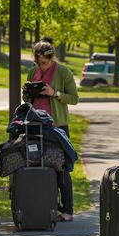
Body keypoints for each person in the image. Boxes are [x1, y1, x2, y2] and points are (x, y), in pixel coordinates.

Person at [24, 39, 79, 222]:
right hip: (36, 125)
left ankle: (67, 209)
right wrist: (27, 91)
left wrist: (54, 93)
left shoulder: (63, 72)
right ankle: (48, 206)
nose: (42, 66)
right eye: (39, 63)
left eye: (45, 62)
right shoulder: (33, 72)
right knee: (38, 165)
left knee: (61, 167)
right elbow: (27, 100)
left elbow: (74, 98)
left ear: (52, 57)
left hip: (57, 127)